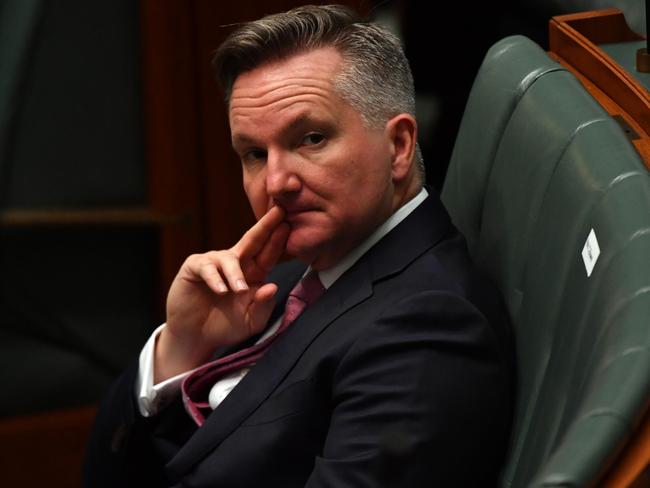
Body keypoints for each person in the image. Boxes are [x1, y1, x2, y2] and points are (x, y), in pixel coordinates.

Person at [83, 5, 514, 487]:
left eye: (310, 138)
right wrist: (180, 348)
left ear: (398, 147)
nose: (275, 182)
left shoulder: (428, 328)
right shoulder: (277, 288)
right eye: (254, 153)